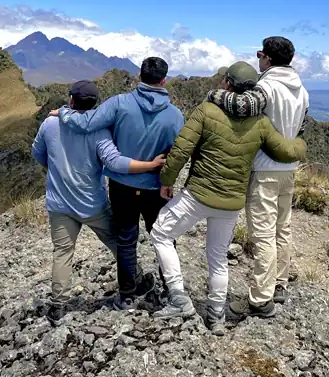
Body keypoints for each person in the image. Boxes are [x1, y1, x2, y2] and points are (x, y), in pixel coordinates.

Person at [150, 61, 307, 336]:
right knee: (218, 257)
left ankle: (178, 298)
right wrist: (301, 144)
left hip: (199, 195)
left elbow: (180, 150)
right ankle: (217, 317)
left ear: (227, 83)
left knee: (161, 233)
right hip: (232, 202)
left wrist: (166, 181)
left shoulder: (207, 110)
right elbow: (283, 151)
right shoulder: (260, 122)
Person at [53, 57, 184, 310]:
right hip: (155, 186)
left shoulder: (119, 103)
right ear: (164, 80)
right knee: (164, 237)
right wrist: (169, 180)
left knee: (126, 238)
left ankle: (126, 296)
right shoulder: (175, 116)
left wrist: (65, 112)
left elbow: (87, 123)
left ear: (139, 75)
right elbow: (178, 153)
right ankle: (170, 291)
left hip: (122, 185)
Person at [32, 80, 167, 321]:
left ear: (71, 100)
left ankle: (59, 305)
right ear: (95, 105)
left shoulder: (50, 123)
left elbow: (38, 153)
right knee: (117, 241)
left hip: (60, 204)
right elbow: (115, 162)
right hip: (92, 203)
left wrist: (55, 172)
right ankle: (134, 280)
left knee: (62, 252)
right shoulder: (100, 130)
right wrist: (151, 165)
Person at [229, 37, 310, 319]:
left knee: (262, 233)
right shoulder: (303, 91)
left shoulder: (266, 86)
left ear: (267, 58)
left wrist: (217, 96)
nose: (258, 60)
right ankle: (279, 284)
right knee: (282, 227)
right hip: (288, 169)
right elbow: (301, 128)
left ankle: (260, 299)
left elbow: (242, 108)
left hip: (264, 168)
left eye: (259, 55)